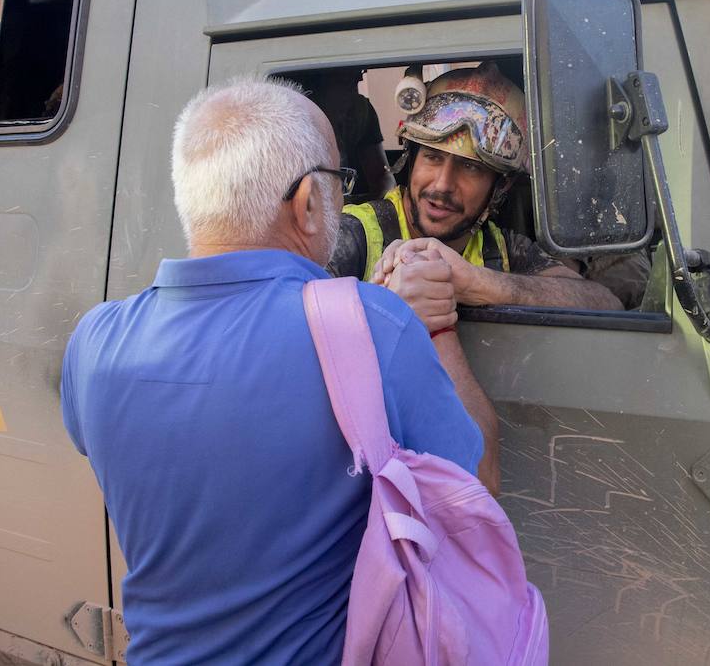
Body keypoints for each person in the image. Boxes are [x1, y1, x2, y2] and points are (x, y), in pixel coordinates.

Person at [60, 78, 495, 665]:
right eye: (339, 184)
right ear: (307, 205)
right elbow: (477, 493)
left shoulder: (94, 341)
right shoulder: (372, 328)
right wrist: (437, 326)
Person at [326, 63, 623, 311]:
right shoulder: (352, 235)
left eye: (471, 168)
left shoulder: (501, 247)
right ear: (411, 159)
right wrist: (383, 304)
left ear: (500, 186)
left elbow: (604, 303)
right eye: (432, 157)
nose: (442, 185)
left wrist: (475, 283)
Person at [303, 67, 395, 199]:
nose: (352, 94)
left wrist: (387, 204)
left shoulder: (361, 112)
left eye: (355, 82)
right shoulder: (300, 120)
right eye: (344, 83)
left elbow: (381, 175)